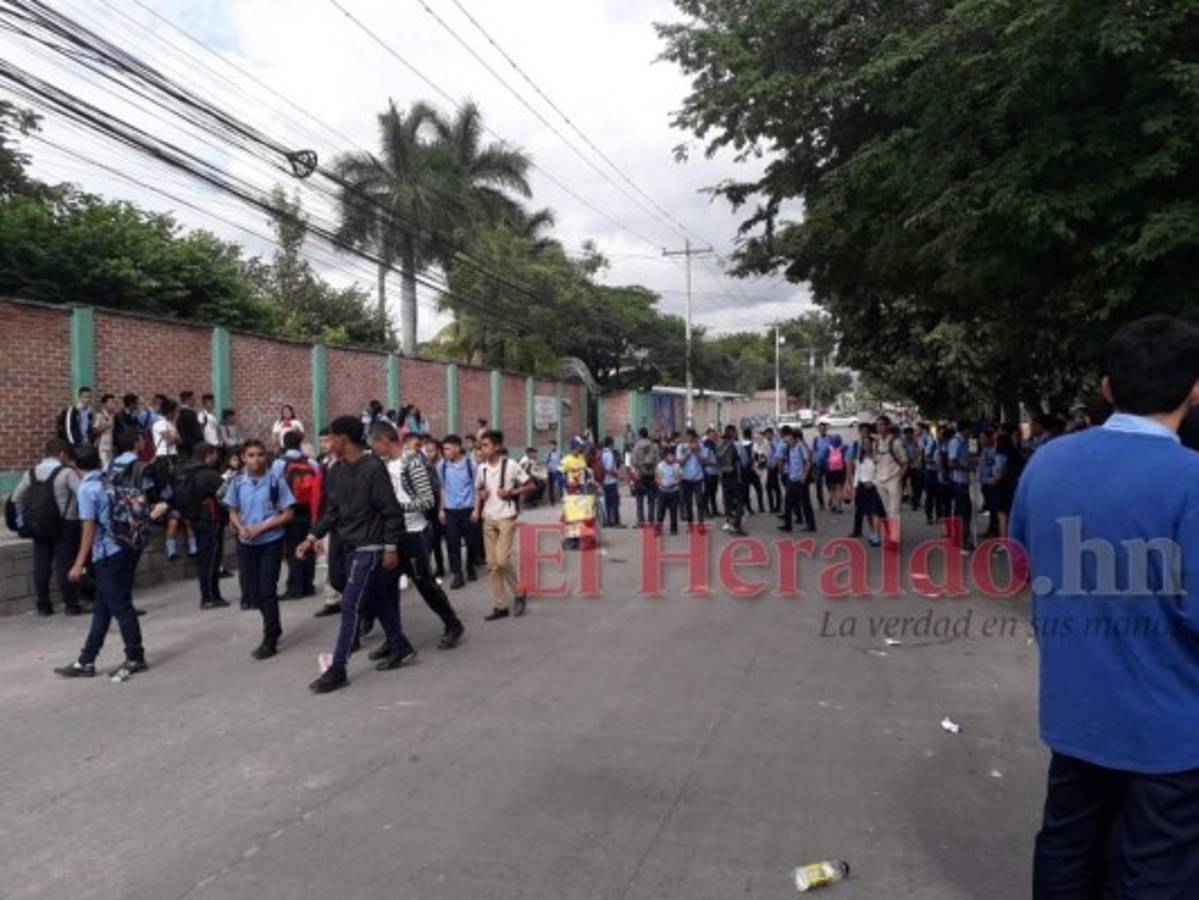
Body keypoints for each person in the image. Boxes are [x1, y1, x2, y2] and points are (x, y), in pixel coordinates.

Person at [1011, 316, 1199, 897]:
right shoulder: (1191, 480)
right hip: (1170, 731)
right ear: (1195, 390)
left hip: (1076, 714)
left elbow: (1020, 563)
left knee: (1068, 847)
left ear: (1107, 388)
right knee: (1156, 869)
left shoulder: (1048, 462)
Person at [297, 416, 412, 693]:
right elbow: (332, 511)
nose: (327, 444)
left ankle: (338, 668)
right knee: (376, 598)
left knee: (350, 605)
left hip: (370, 549)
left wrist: (391, 548)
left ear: (343, 439)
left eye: (330, 438)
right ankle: (399, 645)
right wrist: (311, 537)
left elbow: (391, 511)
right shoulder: (335, 470)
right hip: (348, 546)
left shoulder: (373, 468)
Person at [54, 446, 149, 679]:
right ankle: (86, 660)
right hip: (126, 547)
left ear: (75, 465)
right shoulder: (110, 479)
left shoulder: (87, 489)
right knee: (102, 608)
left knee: (120, 605)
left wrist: (78, 563)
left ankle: (135, 656)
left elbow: (88, 528)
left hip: (107, 553)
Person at [369, 424, 464, 649]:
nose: (373, 449)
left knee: (425, 584)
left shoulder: (412, 462)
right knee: (385, 587)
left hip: (414, 533)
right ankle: (394, 638)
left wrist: (395, 508)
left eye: (375, 444)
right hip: (391, 535)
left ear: (385, 440)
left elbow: (427, 500)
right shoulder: (381, 464)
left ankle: (453, 624)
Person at [223, 439, 295, 660]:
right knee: (252, 593)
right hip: (246, 544)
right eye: (251, 455)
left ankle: (270, 637)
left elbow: (288, 513)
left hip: (270, 542)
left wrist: (261, 527)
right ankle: (274, 625)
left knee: (267, 590)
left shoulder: (275, 482)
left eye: (260, 454)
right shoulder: (237, 483)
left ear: (266, 457)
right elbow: (232, 510)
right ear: (243, 458)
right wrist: (240, 527)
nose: (256, 459)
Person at [11, 438, 83, 616]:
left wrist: (21, 521)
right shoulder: (67, 473)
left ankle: (43, 605)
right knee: (64, 564)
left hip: (39, 524)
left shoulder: (31, 473)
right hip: (66, 523)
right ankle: (70, 604)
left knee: (41, 565)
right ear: (62, 454)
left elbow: (16, 498)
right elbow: (82, 493)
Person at [475, 430, 535, 620]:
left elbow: (530, 485)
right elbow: (479, 490)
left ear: (497, 447)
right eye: (481, 445)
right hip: (488, 518)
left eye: (485, 445)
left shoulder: (511, 465)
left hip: (506, 517)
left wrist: (510, 492)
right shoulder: (481, 468)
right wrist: (480, 501)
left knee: (502, 560)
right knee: (492, 565)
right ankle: (500, 606)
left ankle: (519, 591)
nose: (482, 449)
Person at [174, 443, 228, 609]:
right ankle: (210, 596)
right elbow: (227, 494)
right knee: (212, 559)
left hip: (195, 520)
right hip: (211, 520)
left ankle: (208, 595)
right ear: (208, 454)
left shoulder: (184, 473)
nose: (216, 457)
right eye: (214, 454)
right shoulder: (209, 475)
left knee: (203, 559)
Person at [270, 430, 322, 599]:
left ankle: (295, 587)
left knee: (293, 548)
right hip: (309, 510)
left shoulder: (279, 463)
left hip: (290, 509)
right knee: (308, 545)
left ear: (284, 444)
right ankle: (308, 585)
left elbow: (274, 485)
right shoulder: (311, 462)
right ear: (300, 443)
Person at [439, 435, 481, 589]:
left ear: (457, 448)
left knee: (471, 542)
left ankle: (470, 567)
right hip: (451, 511)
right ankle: (457, 575)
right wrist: (441, 509)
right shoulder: (443, 466)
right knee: (452, 544)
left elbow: (477, 489)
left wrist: (476, 509)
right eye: (444, 449)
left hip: (468, 510)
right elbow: (442, 488)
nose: (445, 452)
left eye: (448, 449)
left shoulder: (471, 465)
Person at [873, 415, 907, 544]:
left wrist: (899, 478)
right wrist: (875, 477)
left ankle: (894, 539)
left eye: (882, 425)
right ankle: (892, 535)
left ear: (888, 426)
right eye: (877, 425)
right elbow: (875, 461)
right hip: (880, 480)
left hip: (893, 479)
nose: (879, 427)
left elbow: (905, 462)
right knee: (887, 511)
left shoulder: (896, 442)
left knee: (894, 511)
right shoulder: (876, 442)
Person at [779, 426, 816, 533]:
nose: (789, 441)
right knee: (788, 503)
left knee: (805, 504)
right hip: (791, 479)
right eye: (788, 439)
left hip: (800, 480)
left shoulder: (801, 447)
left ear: (796, 439)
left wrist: (804, 476)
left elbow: (809, 462)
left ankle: (811, 525)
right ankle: (787, 525)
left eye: (791, 439)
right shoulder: (789, 448)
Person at [945, 419, 974, 552]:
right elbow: (952, 463)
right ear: (965, 429)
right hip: (958, 481)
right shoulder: (956, 442)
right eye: (969, 430)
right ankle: (963, 541)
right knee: (964, 512)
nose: (971, 432)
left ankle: (958, 538)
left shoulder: (965, 442)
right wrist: (967, 468)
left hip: (963, 481)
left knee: (960, 511)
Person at [852, 437, 885, 547]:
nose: (866, 446)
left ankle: (877, 534)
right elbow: (857, 473)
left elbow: (881, 473)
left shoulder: (877, 458)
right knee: (868, 513)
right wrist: (855, 486)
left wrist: (873, 482)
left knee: (875, 512)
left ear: (872, 445)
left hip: (874, 488)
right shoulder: (860, 458)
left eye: (868, 443)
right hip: (862, 487)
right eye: (864, 444)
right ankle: (872, 532)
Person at [716, 424, 747, 536]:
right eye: (735, 431)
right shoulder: (736, 444)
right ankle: (736, 526)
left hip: (724, 476)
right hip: (735, 476)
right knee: (740, 501)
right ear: (733, 432)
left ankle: (728, 523)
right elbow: (744, 461)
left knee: (728, 501)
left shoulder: (720, 444)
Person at [630, 428, 660, 527]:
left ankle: (641, 521)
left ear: (640, 435)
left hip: (640, 476)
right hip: (651, 476)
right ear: (647, 434)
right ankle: (651, 521)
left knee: (639, 500)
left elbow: (633, 461)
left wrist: (638, 468)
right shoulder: (654, 446)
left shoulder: (636, 446)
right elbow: (658, 462)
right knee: (651, 500)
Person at [654, 447, 682, 535]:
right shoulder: (660, 465)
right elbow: (656, 476)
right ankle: (658, 528)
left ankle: (673, 529)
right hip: (662, 491)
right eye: (669, 456)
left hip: (674, 491)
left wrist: (675, 483)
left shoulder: (677, 466)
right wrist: (660, 483)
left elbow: (680, 477)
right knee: (660, 511)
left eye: (673, 456)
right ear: (665, 457)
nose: (671, 458)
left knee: (674, 510)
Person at [599, 436, 623, 527]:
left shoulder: (602, 453)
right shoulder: (609, 454)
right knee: (614, 502)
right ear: (610, 444)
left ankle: (609, 520)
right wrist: (618, 475)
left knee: (608, 502)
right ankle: (615, 521)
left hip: (604, 481)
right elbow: (609, 469)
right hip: (611, 481)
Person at [175, 391, 205, 459]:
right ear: (187, 400)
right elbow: (196, 431)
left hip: (183, 445)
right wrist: (201, 440)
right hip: (192, 445)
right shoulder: (190, 413)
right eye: (193, 399)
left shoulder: (178, 412)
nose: (194, 401)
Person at [742, 427, 765, 514]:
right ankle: (761, 507)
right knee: (759, 489)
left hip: (744, 471)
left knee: (746, 490)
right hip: (754, 470)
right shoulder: (754, 445)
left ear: (743, 435)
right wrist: (760, 468)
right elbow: (761, 457)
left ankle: (749, 508)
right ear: (750, 435)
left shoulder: (740, 445)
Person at [811, 422, 833, 511]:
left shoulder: (830, 438)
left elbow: (834, 450)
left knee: (830, 484)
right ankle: (821, 503)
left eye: (824, 429)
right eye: (820, 429)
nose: (822, 430)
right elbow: (813, 451)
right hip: (818, 465)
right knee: (818, 485)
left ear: (826, 429)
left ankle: (831, 500)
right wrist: (814, 462)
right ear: (818, 430)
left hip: (828, 464)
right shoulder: (816, 439)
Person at [825, 434, 847, 514]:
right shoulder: (843, 448)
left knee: (832, 488)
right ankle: (839, 506)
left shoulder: (828, 448)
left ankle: (833, 504)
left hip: (830, 470)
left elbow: (823, 458)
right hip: (840, 470)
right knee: (839, 488)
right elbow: (846, 458)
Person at [94, 393, 117, 467]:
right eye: (111, 402)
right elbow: (95, 431)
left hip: (111, 447)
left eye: (114, 402)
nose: (113, 405)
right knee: (104, 467)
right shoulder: (99, 416)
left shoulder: (113, 416)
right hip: (102, 447)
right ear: (104, 404)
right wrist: (106, 425)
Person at [545, 439, 564, 504]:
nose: (551, 447)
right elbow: (546, 462)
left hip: (558, 471)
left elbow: (563, 461)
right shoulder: (549, 453)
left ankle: (561, 498)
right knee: (551, 487)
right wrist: (547, 468)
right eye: (550, 446)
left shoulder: (560, 453)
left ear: (556, 446)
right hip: (550, 472)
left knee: (560, 485)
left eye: (552, 445)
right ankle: (552, 501)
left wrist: (561, 468)